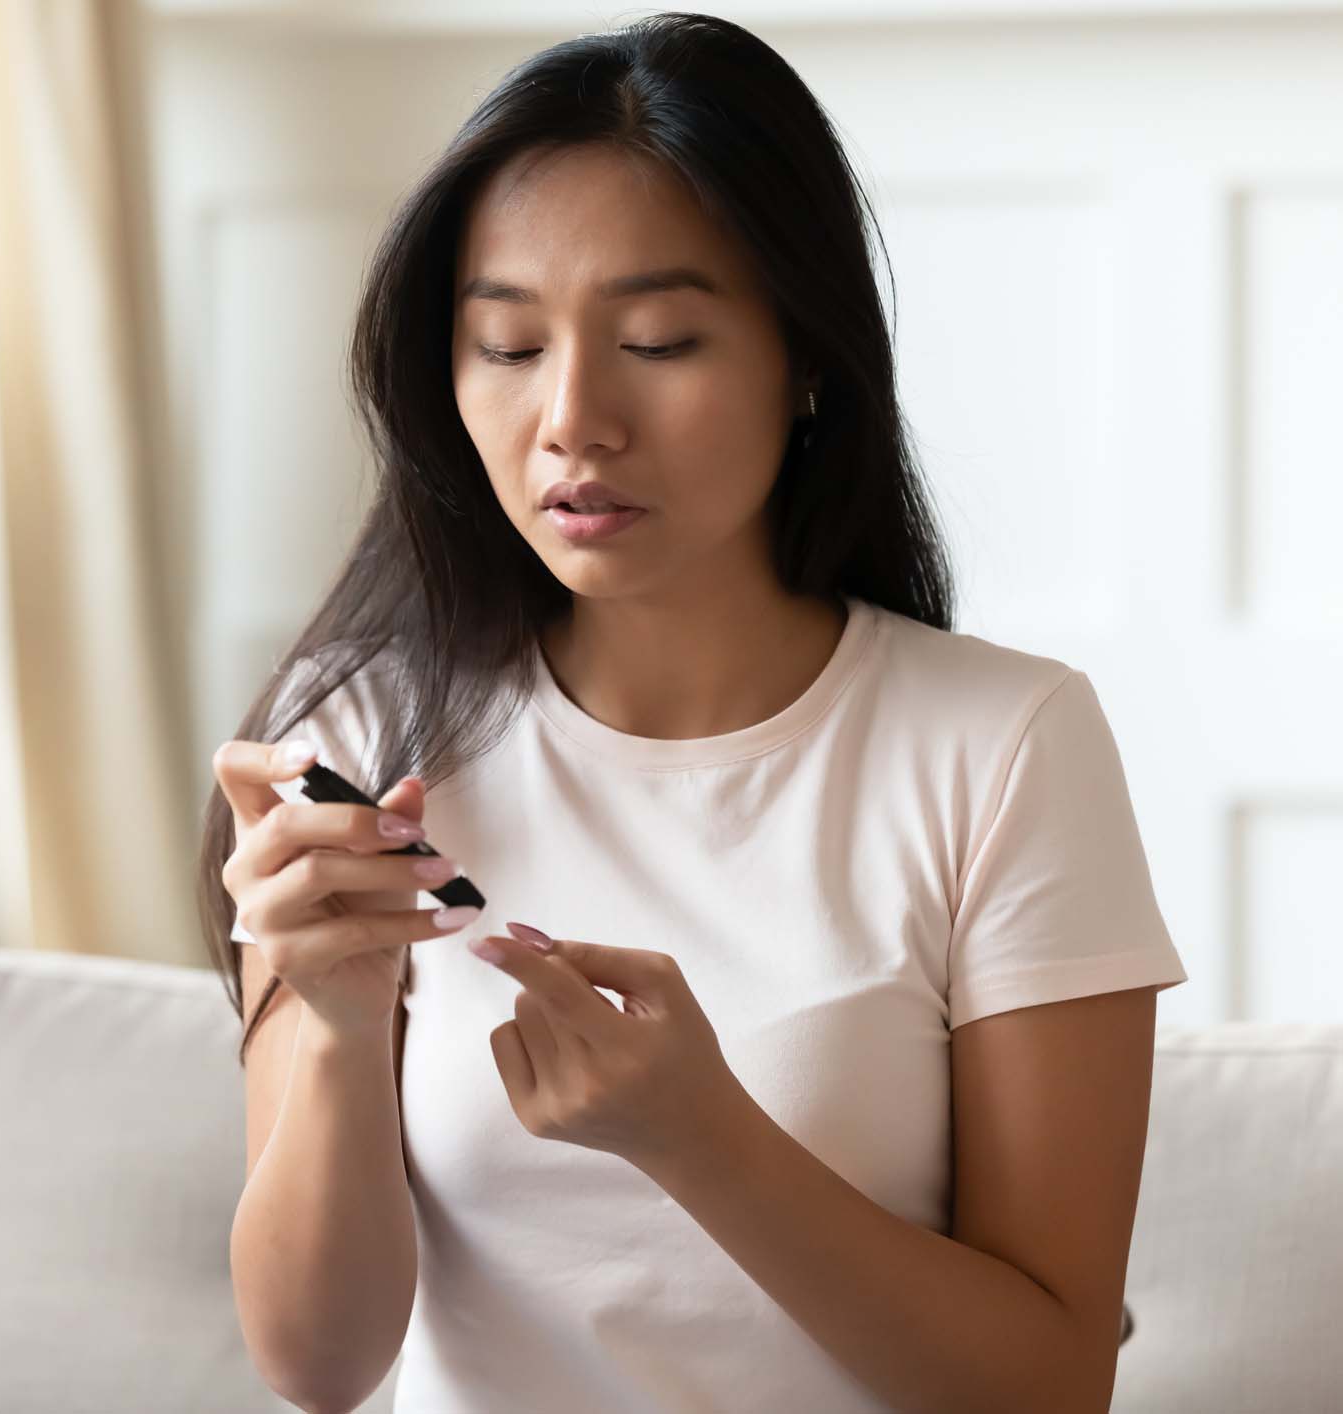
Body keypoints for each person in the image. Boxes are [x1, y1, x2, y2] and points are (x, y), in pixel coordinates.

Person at [201, 13, 1187, 1413]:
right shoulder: (360, 738)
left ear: (805, 365)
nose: (572, 417)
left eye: (658, 341)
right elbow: (316, 1365)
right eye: (504, 344)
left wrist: (700, 1137)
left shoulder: (999, 747)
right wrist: (346, 1032)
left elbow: (1047, 1385)